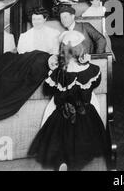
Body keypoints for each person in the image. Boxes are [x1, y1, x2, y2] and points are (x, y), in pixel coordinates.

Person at [28, 31, 107, 170]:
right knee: (83, 139)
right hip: (85, 111)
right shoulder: (92, 69)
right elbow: (95, 84)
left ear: (62, 50)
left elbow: (47, 90)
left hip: (63, 111)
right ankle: (77, 161)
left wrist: (51, 70)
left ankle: (62, 161)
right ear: (81, 48)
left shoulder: (58, 72)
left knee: (59, 138)